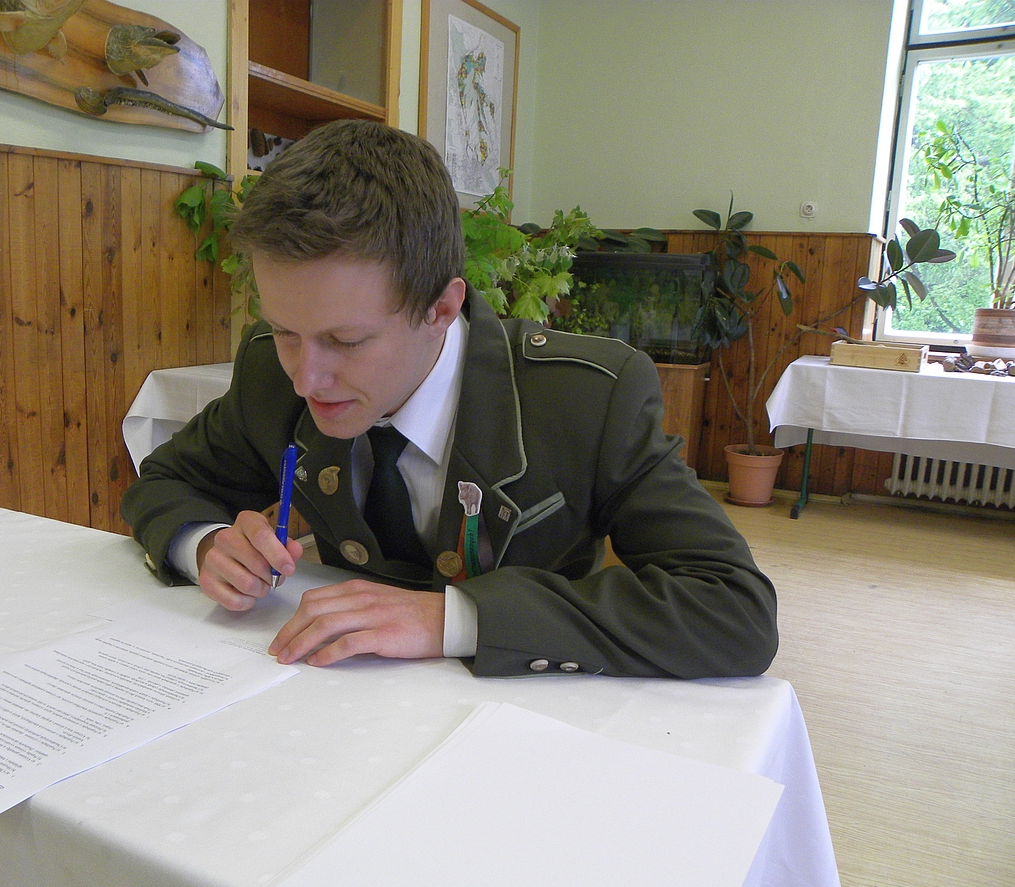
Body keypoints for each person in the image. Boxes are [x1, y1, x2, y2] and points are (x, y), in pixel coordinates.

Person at [121, 119, 778, 679]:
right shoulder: (270, 371)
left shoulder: (588, 399)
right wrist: (205, 544)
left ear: (441, 308)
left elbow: (733, 607)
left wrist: (455, 619)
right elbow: (167, 480)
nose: (305, 379)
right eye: (287, 332)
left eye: (346, 341)